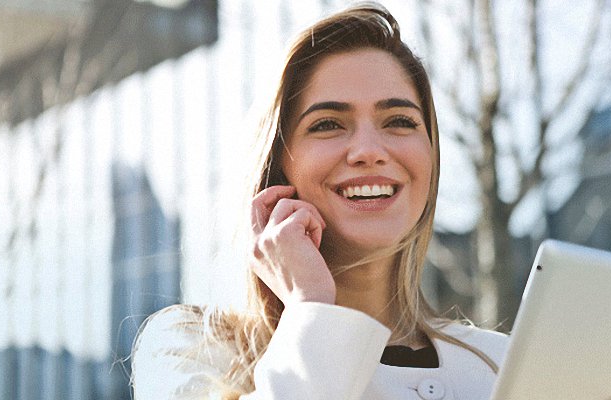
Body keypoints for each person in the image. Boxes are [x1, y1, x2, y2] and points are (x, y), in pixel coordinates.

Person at [132, 2, 508, 399]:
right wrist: (311, 309)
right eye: (328, 124)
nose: (369, 150)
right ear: (278, 168)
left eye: (399, 121)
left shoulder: (501, 362)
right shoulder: (193, 352)